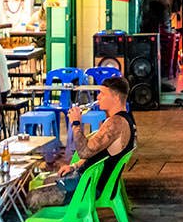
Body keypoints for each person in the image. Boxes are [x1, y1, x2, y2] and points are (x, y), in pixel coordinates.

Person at [27, 76, 136, 209]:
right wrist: (73, 166)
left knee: (32, 197)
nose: (98, 97)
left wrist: (76, 123)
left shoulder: (116, 123)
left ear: (116, 98)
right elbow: (97, 154)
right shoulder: (122, 119)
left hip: (88, 187)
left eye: (102, 93)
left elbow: (84, 152)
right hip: (85, 179)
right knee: (42, 181)